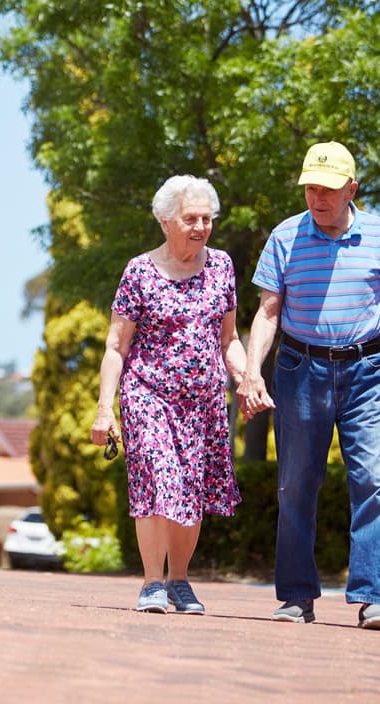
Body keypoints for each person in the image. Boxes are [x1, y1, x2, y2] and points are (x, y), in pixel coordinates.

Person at [237, 140, 380, 632]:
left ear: (352, 189)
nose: (318, 198)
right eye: (311, 188)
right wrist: (254, 370)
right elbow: (268, 312)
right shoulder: (284, 237)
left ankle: (373, 598)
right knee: (296, 485)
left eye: (328, 188)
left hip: (367, 372)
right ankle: (297, 597)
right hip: (301, 371)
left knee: (374, 483)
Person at [90, 175, 248, 615]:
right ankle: (151, 582)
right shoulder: (140, 271)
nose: (200, 227)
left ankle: (179, 580)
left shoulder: (221, 267)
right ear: (165, 221)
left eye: (206, 218)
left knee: (191, 490)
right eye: (190, 218)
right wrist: (106, 410)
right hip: (148, 393)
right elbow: (116, 346)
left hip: (204, 401)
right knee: (160, 480)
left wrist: (247, 378)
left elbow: (229, 339)